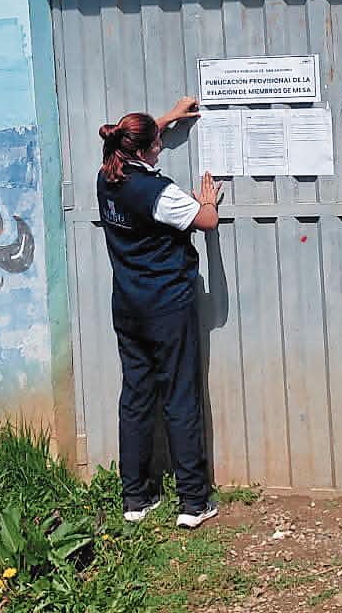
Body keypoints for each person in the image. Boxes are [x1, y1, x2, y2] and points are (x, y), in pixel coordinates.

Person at [97, 96, 223, 529]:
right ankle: (192, 502)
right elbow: (205, 222)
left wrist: (167, 117)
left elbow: (137, 137)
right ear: (148, 150)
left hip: (128, 306)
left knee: (136, 396)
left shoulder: (106, 176)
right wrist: (207, 201)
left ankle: (136, 497)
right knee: (180, 396)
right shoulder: (158, 193)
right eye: (157, 142)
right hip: (167, 307)